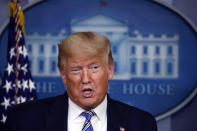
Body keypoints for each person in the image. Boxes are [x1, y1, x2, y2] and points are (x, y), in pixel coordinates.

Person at [4, 32, 157, 131]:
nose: (85, 79)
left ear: (110, 71)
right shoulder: (24, 120)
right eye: (76, 70)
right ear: (63, 75)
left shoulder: (141, 124)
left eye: (94, 68)